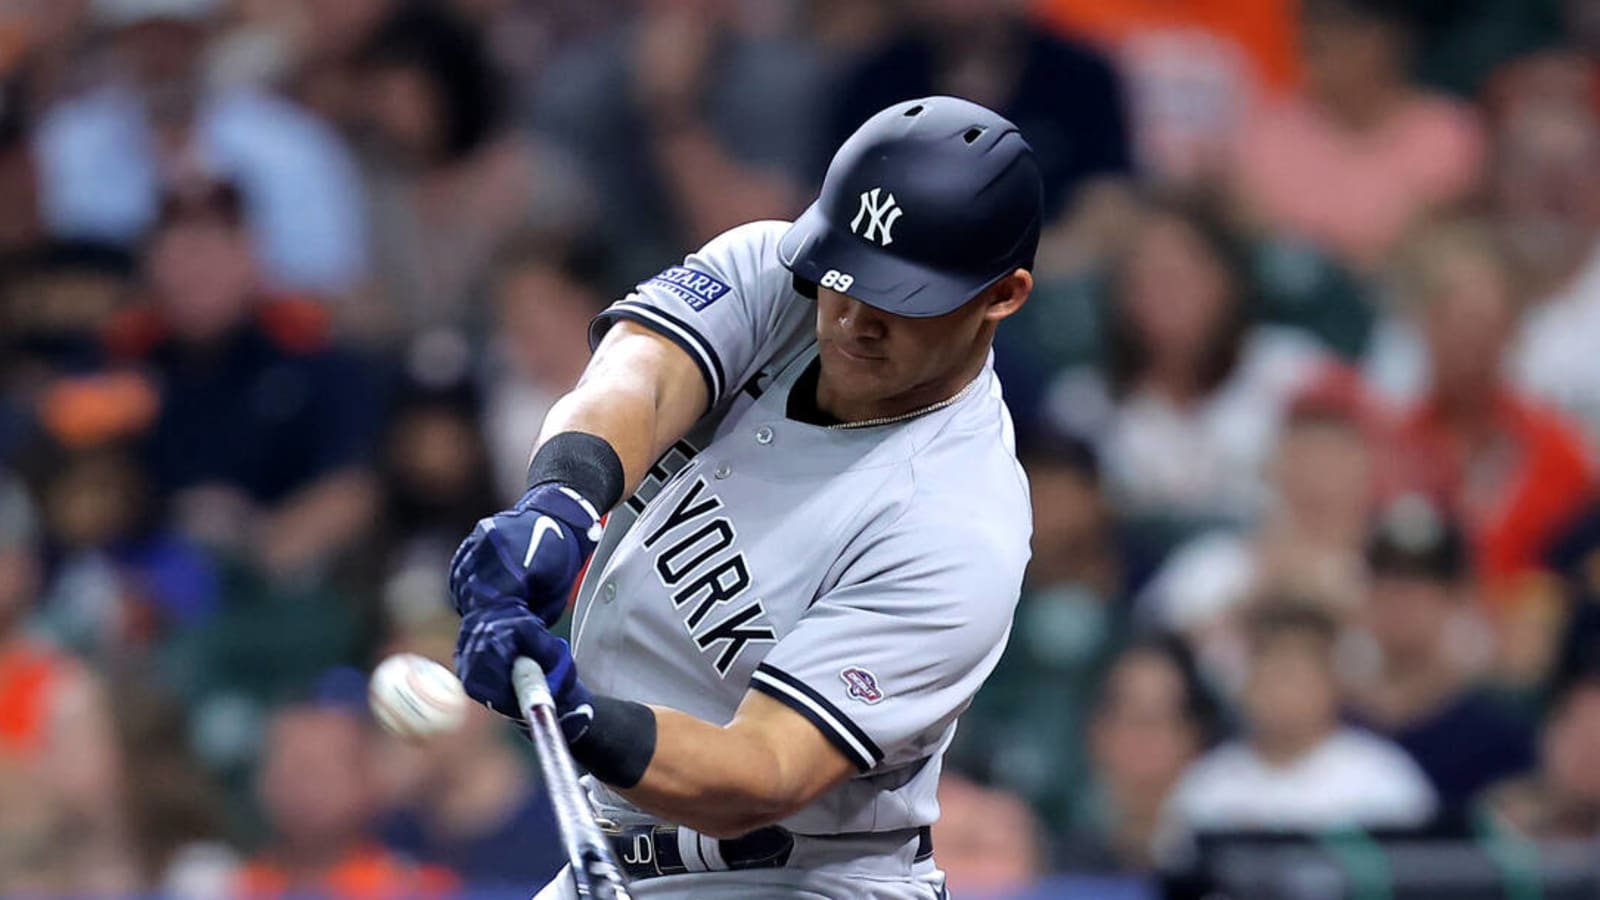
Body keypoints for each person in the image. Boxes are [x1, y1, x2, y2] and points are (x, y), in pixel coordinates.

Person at [448, 96, 1042, 898]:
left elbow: (763, 773)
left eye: (901, 297)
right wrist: (558, 504)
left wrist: (579, 714)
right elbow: (640, 378)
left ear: (1002, 296)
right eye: (844, 277)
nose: (853, 318)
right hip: (614, 848)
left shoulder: (959, 525)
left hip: (802, 878)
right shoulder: (782, 270)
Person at [109, 179, 381, 579]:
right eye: (179, 252)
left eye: (215, 249)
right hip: (143, 584)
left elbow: (354, 490)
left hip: (277, 579)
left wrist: (255, 556)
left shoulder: (308, 356)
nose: (196, 271)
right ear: (151, 264)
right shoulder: (122, 362)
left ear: (251, 255)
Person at [1162, 603, 1436, 845]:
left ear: (1332, 684)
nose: (1283, 692)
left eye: (1296, 675)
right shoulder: (1207, 786)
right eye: (1272, 674)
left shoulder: (1383, 781)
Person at [1347, 497, 1536, 813]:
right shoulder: (1336, 716)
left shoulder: (1497, 728)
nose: (1400, 600)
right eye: (1385, 581)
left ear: (1456, 597)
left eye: (1421, 583)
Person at [236, 696, 458, 899]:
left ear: (370, 779)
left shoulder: (414, 888)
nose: (303, 787)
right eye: (291, 767)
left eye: (322, 770)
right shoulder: (230, 887)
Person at [1062, 636, 1218, 873]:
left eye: (1158, 720)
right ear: (1097, 734)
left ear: (1194, 739)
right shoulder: (1059, 866)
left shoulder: (1222, 865)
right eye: (1129, 719)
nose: (1143, 741)